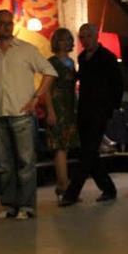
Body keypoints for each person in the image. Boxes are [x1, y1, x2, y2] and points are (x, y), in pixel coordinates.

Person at [0, 10, 56, 220]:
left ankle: (27, 206)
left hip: (22, 113)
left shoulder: (26, 49)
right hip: (0, 113)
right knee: (5, 164)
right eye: (2, 23)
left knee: (25, 162)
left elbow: (49, 72)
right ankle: (9, 205)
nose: (7, 26)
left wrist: (36, 98)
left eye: (10, 23)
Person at [59, 23, 122, 206]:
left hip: (100, 110)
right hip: (84, 110)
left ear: (96, 37)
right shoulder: (82, 58)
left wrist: (111, 109)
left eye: (88, 36)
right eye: (82, 37)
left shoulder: (108, 57)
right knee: (90, 152)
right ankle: (108, 189)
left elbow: (117, 84)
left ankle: (71, 194)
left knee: (87, 153)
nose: (85, 40)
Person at [44, 28, 79, 202]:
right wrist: (50, 111)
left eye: (67, 39)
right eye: (61, 39)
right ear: (56, 42)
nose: (65, 43)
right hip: (57, 107)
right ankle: (63, 187)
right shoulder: (51, 62)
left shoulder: (71, 62)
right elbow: (46, 90)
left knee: (66, 146)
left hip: (70, 105)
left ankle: (63, 187)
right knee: (59, 147)